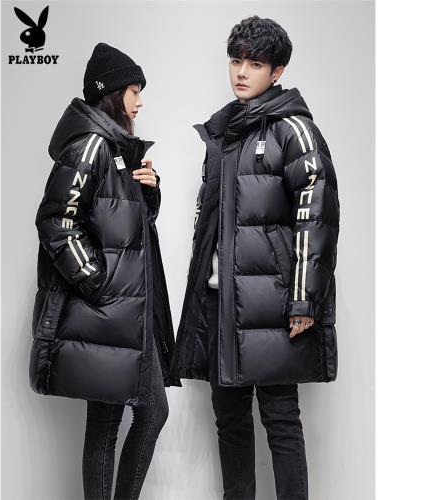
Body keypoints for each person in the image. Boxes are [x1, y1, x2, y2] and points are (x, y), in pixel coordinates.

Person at [170, 16, 340, 500]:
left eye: (255, 64)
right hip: (220, 302)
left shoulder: (295, 131)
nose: (242, 72)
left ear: (277, 71)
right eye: (236, 60)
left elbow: (317, 217)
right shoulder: (225, 132)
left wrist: (304, 300)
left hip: (274, 305)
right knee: (229, 421)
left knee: (281, 420)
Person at [29, 42, 180, 500]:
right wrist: (98, 280)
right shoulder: (91, 146)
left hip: (122, 314)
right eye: (134, 91)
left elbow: (125, 229)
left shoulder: (115, 149)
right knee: (126, 418)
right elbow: (56, 222)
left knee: (117, 418)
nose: (140, 101)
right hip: (107, 311)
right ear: (111, 94)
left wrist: (149, 193)